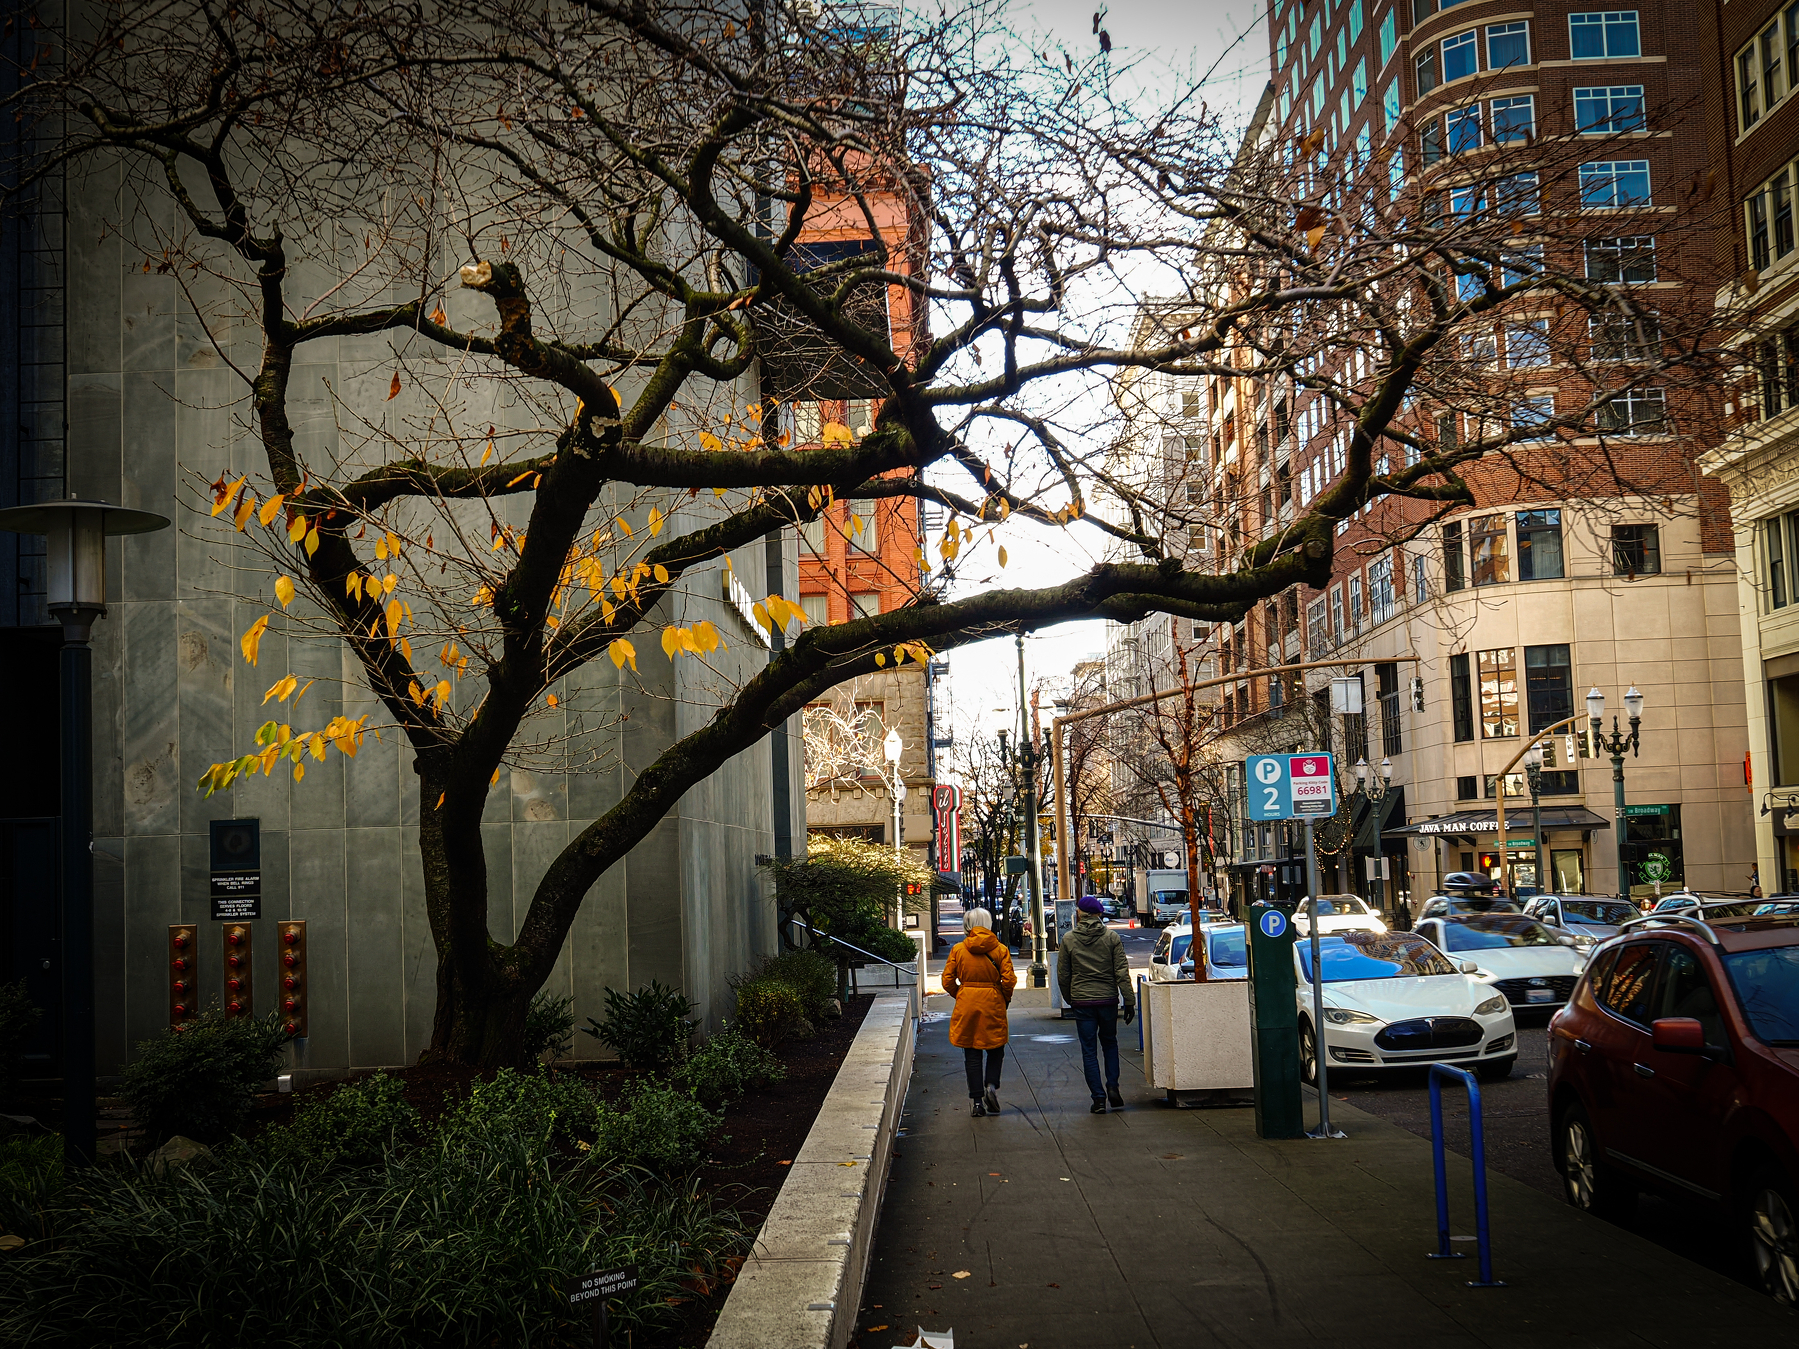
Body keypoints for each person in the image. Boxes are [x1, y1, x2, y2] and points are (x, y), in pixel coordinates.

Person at [1058, 895, 1135, 1113]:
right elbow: (1121, 972)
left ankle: (1098, 1098)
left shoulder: (1069, 939)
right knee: (1110, 1043)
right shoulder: (1111, 938)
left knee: (1089, 1050)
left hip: (1082, 1001)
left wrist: (1071, 998)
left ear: (1080, 914)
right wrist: (1128, 1000)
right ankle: (1113, 1087)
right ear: (1099, 914)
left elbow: (1063, 975)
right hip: (1108, 1000)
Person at [941, 907, 1015, 1117]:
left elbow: (947, 980)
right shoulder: (1000, 950)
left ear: (968, 925)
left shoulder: (958, 949)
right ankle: (991, 1085)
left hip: (967, 1004)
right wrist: (1004, 998)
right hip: (992, 1001)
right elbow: (1009, 980)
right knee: (996, 1045)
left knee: (971, 1052)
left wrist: (961, 993)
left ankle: (976, 1103)